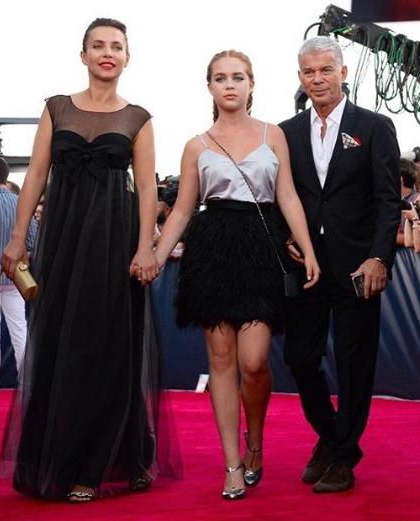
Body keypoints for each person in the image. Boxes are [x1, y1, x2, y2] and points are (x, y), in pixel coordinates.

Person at [0, 17, 181, 501]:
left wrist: (145, 246)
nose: (107, 53)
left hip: (114, 244)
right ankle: (57, 457)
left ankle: (102, 462)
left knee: (109, 347)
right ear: (83, 55)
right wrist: (18, 236)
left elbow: (147, 190)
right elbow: (36, 174)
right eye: (98, 45)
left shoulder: (138, 118)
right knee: (60, 343)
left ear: (127, 57)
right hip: (62, 240)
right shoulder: (56, 108)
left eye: (116, 46)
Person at [153, 50, 320, 500]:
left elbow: (287, 196)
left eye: (238, 77)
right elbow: (183, 209)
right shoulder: (196, 145)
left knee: (254, 362)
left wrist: (307, 248)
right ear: (209, 86)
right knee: (222, 361)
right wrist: (156, 256)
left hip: (262, 246)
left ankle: (255, 442)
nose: (230, 85)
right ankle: (231, 464)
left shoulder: (273, 135)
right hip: (212, 249)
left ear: (252, 84)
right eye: (221, 78)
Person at [279, 36, 401, 493]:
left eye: (326, 70)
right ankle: (332, 437)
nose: (318, 79)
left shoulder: (374, 126)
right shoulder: (286, 132)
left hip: (358, 267)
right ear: (300, 77)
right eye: (309, 72)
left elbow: (388, 200)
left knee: (354, 364)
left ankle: (344, 456)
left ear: (343, 73)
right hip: (306, 265)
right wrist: (288, 235)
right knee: (299, 358)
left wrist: (379, 257)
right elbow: (283, 196)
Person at [0, 157, 36, 407]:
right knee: (20, 332)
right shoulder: (21, 204)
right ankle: (29, 389)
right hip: (16, 279)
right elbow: (32, 240)